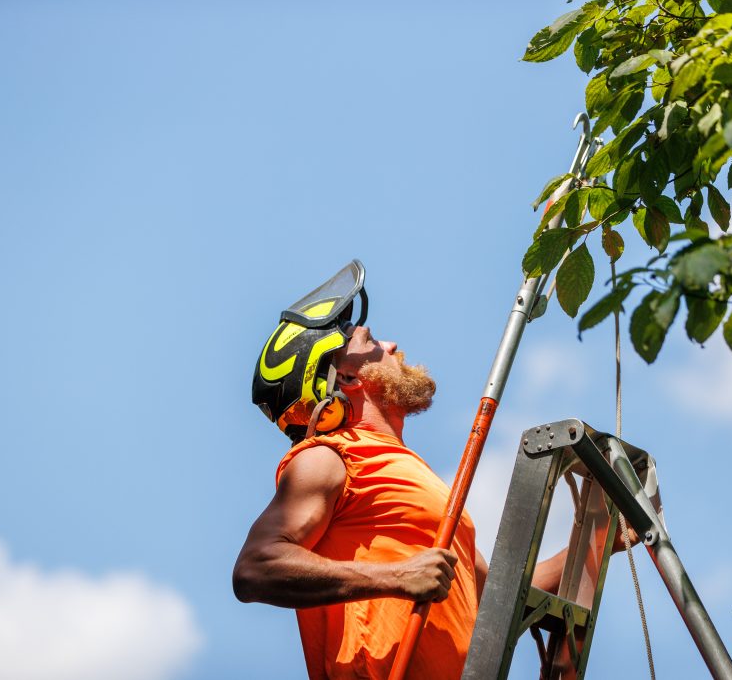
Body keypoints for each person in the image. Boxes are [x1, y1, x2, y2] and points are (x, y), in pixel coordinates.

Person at [233, 261, 570, 679]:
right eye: (371, 342)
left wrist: (597, 539)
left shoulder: (411, 474)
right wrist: (396, 576)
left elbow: (494, 595)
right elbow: (255, 568)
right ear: (349, 378)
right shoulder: (329, 458)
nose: (391, 345)